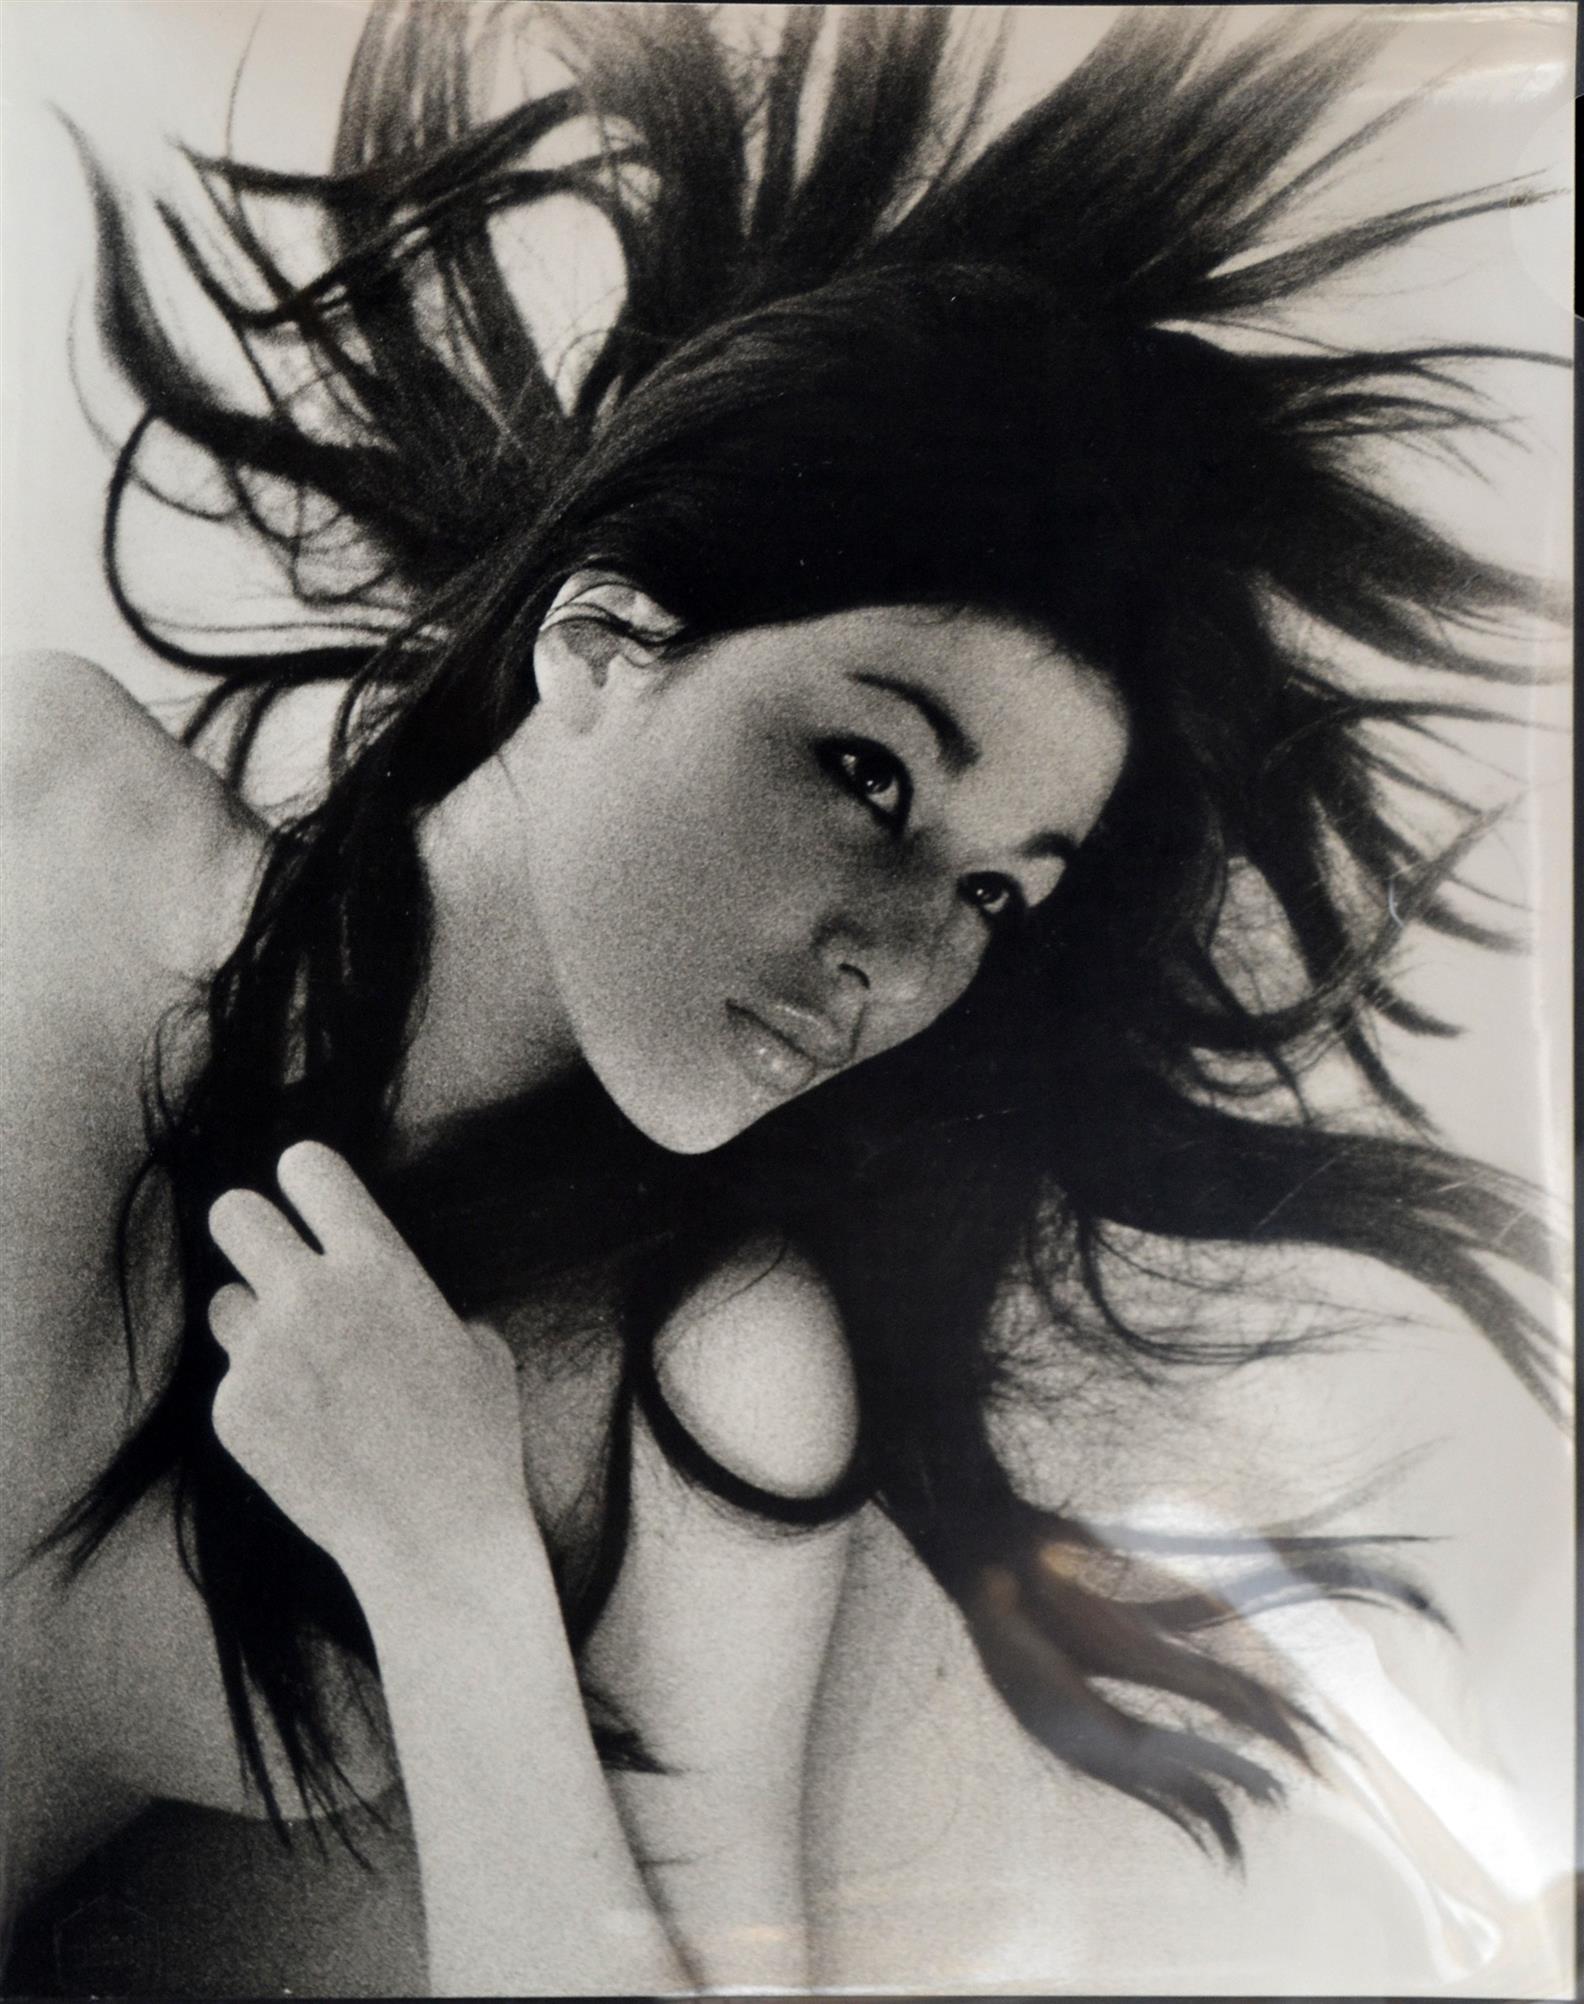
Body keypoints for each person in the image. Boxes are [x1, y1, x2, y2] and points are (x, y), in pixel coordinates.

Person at [1, 2, 1568, 1994]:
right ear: (600, 640)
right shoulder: (45, 805)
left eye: (997, 898)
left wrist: (451, 1571)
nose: (901, 957)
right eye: (868, 775)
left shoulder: (698, 1375)